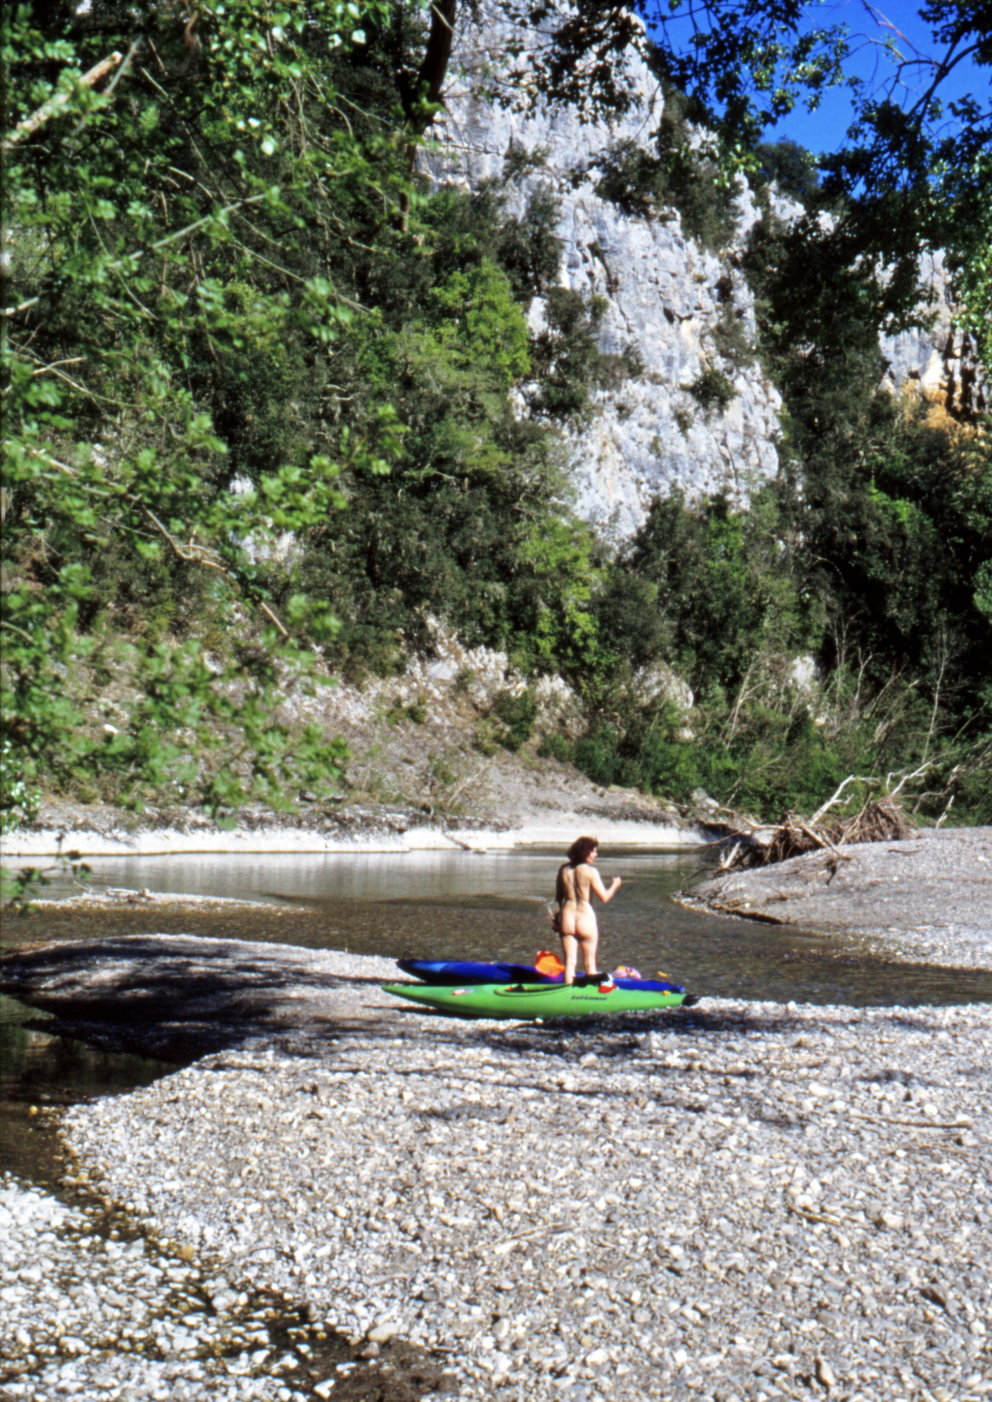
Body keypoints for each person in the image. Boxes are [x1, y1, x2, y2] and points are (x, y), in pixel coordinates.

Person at [554, 836, 621, 985]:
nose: (595, 855)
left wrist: (555, 919)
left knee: (569, 963)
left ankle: (567, 992)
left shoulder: (563, 869)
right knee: (590, 964)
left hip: (566, 917)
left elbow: (558, 899)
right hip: (585, 917)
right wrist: (615, 885)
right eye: (593, 851)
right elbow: (604, 897)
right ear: (585, 852)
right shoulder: (591, 871)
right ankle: (591, 994)